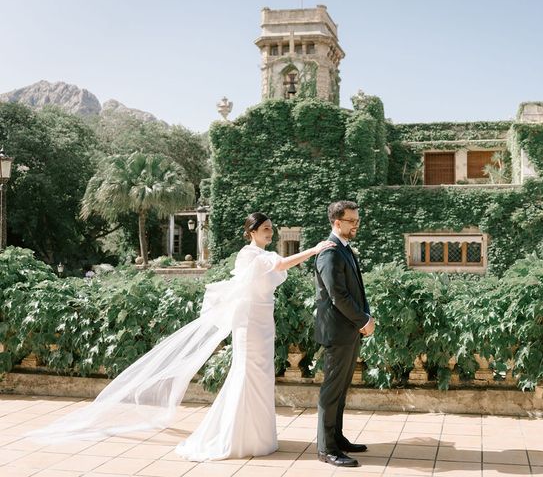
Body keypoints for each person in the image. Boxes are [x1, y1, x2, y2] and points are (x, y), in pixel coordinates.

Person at [26, 212, 335, 462]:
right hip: (250, 324)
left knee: (261, 375)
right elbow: (281, 264)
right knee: (248, 374)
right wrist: (314, 249)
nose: (271, 233)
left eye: (271, 229)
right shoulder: (249, 253)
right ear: (252, 231)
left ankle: (258, 435)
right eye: (266, 229)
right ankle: (236, 435)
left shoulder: (262, 254)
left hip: (262, 320)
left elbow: (274, 269)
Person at [314, 200, 375, 468]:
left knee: (341, 389)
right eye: (352, 221)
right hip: (337, 332)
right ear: (337, 222)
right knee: (331, 391)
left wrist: (366, 318)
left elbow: (356, 290)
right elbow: (337, 295)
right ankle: (326, 449)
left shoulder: (345, 249)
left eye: (357, 220)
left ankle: (337, 439)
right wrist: (363, 319)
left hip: (350, 331)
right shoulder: (329, 253)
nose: (356, 225)